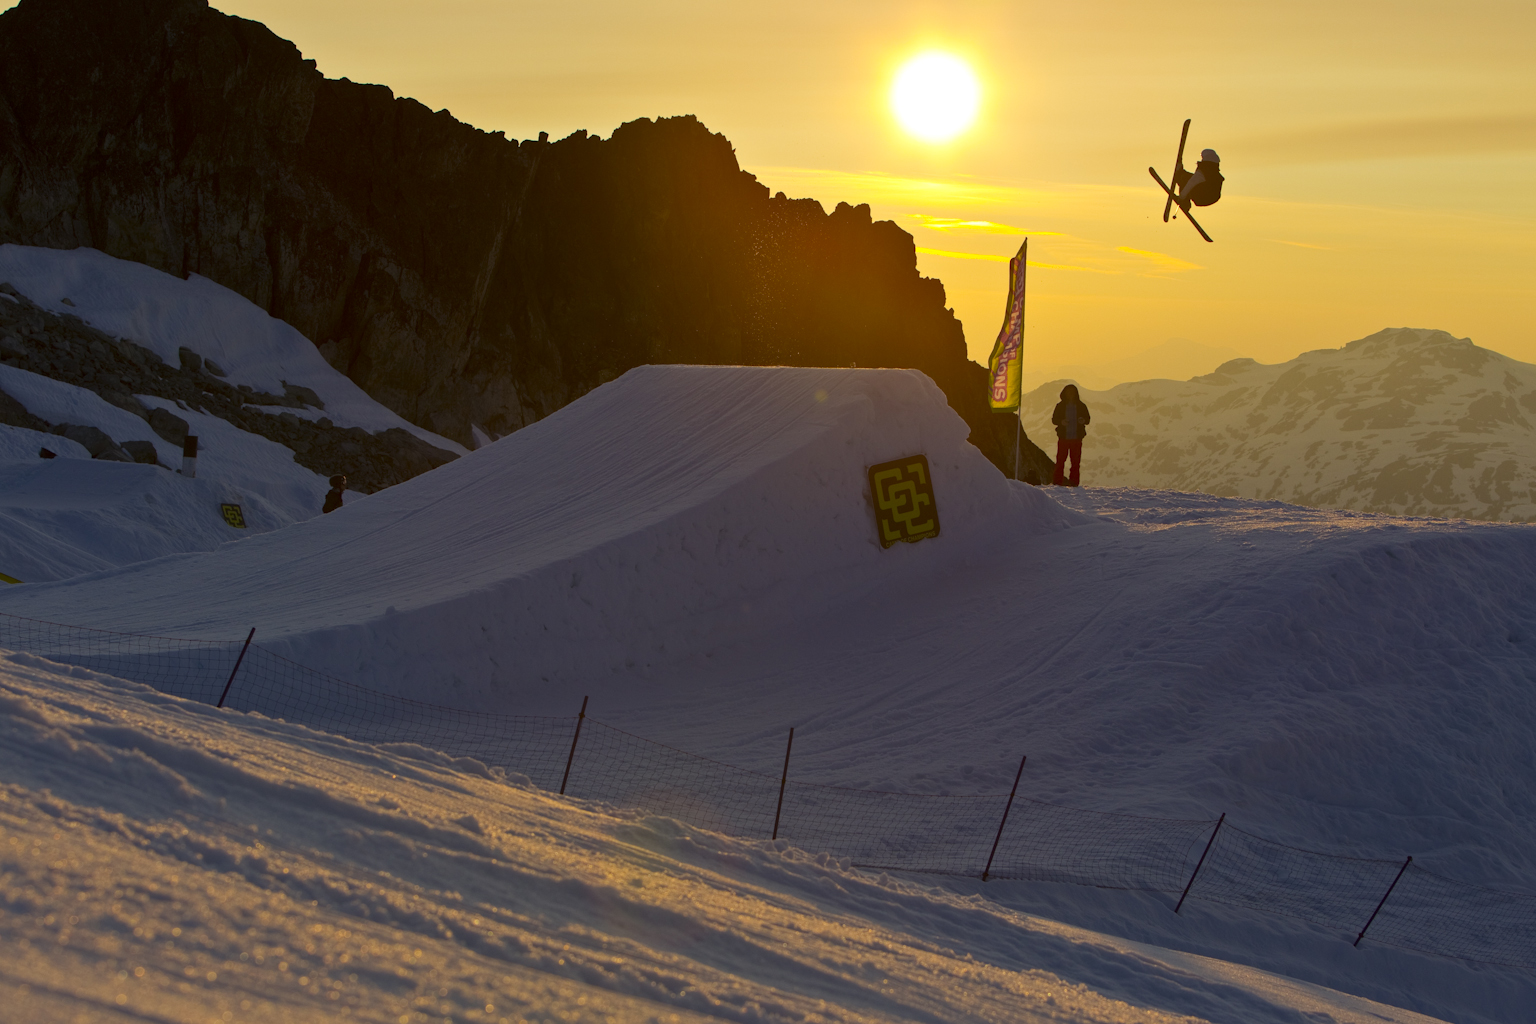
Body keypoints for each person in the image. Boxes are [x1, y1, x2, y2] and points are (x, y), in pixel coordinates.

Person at [1050, 384, 1090, 486]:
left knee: (1075, 462)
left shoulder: (1081, 406)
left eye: (1072, 392)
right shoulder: (1060, 406)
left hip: (1076, 438)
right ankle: (1058, 482)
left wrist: (1083, 420)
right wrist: (1061, 422)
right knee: (1061, 461)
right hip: (1064, 437)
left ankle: (1073, 482)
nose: (1070, 394)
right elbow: (1054, 420)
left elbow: (1088, 419)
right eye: (1069, 392)